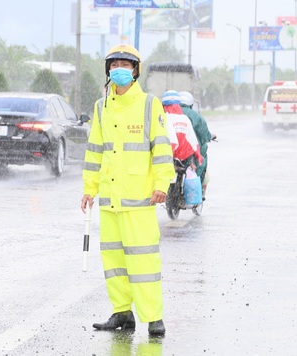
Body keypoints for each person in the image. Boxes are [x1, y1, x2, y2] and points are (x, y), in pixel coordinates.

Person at [80, 44, 175, 336]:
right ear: (108, 69)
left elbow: (161, 147)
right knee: (115, 261)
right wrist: (89, 189)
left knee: (144, 261)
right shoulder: (100, 107)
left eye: (125, 64)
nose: (119, 69)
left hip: (140, 199)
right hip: (110, 200)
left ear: (135, 70)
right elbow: (95, 151)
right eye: (114, 64)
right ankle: (122, 314)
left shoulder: (149, 104)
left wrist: (162, 184)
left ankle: (153, 317)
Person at [178, 91, 215, 199]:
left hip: (173, 149)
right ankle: (198, 186)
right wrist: (209, 136)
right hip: (190, 150)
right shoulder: (195, 116)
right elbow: (204, 133)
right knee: (202, 161)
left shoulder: (169, 113)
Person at [161, 90, 202, 168]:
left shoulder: (163, 117)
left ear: (163, 105)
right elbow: (192, 140)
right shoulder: (185, 118)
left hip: (167, 159)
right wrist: (195, 159)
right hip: (184, 160)